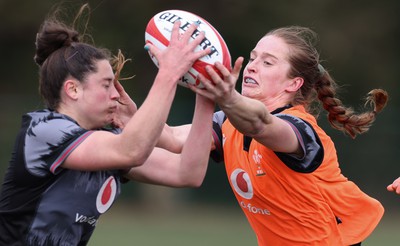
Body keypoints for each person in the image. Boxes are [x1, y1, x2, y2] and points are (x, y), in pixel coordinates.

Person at [0, 4, 215, 246]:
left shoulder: (106, 141)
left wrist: (206, 94)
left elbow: (187, 173)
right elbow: (131, 150)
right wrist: (169, 73)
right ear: (73, 89)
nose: (116, 94)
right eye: (106, 84)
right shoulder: (44, 131)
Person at [189, 26, 389, 245]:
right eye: (252, 58)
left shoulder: (300, 129)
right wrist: (167, 75)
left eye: (267, 62)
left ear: (294, 83)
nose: (252, 67)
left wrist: (228, 98)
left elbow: (259, 126)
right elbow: (170, 138)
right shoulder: (228, 122)